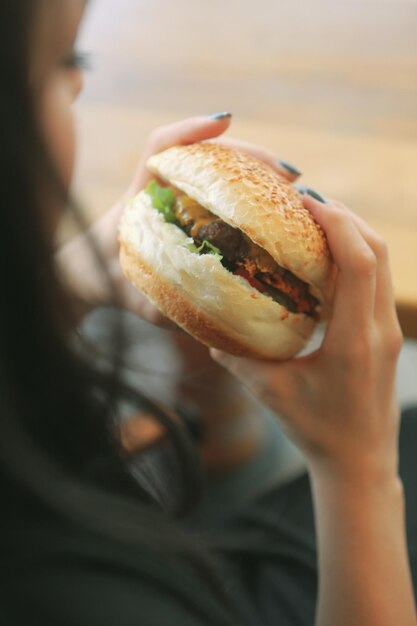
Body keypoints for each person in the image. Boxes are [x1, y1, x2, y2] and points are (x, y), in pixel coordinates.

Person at [1, 0, 416, 625]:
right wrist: (359, 470)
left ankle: (223, 445)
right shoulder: (72, 594)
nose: (82, 83)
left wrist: (67, 280)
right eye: (67, 60)